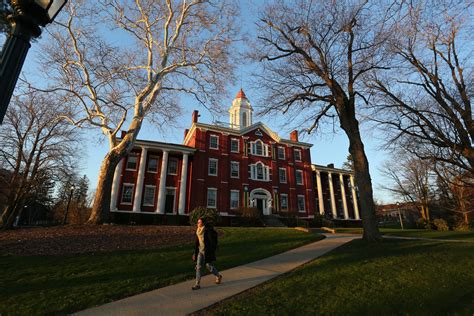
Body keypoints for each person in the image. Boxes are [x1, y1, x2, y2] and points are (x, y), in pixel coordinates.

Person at [192, 217, 222, 290]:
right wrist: (195, 253)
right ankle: (197, 284)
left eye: (199, 222)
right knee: (198, 266)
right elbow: (197, 243)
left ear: (202, 223)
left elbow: (213, 240)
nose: (197, 223)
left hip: (207, 251)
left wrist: (214, 248)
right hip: (200, 251)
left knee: (209, 266)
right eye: (197, 222)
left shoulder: (207, 230)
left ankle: (218, 276)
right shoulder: (198, 231)